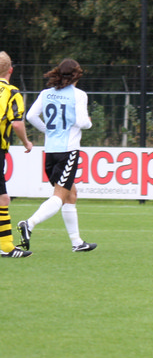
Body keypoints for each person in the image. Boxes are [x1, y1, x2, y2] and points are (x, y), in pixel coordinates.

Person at [18, 59, 96, 253]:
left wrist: (48, 131)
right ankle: (29, 223)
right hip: (67, 151)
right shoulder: (78, 95)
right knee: (60, 196)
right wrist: (89, 122)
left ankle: (77, 242)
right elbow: (82, 122)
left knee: (71, 194)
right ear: (77, 75)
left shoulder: (46, 94)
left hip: (51, 151)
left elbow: (31, 116)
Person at [0, 52, 33, 258]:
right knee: (3, 199)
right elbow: (17, 124)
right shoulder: (12, 92)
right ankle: (6, 246)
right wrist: (26, 142)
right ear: (10, 70)